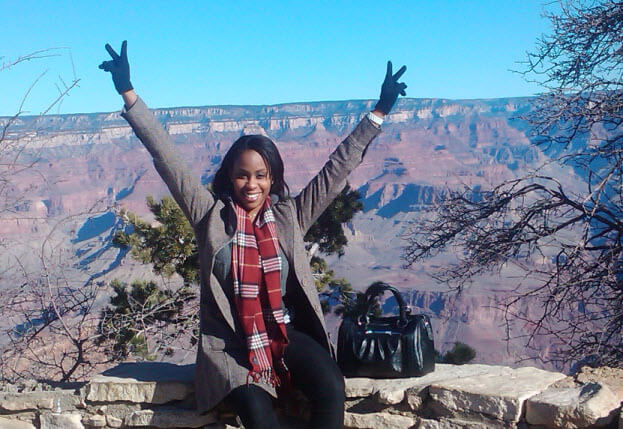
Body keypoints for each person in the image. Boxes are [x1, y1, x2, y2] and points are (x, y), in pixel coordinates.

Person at [100, 40, 406, 429]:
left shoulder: (288, 216)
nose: (251, 184)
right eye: (243, 174)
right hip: (231, 344)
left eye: (260, 175)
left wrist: (378, 113)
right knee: (260, 415)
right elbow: (168, 160)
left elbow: (336, 170)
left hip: (282, 328)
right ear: (230, 175)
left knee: (331, 385)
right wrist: (129, 94)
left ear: (272, 178)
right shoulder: (210, 216)